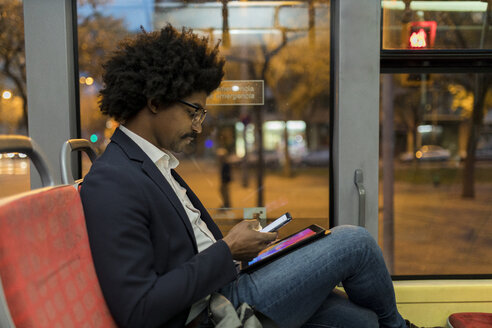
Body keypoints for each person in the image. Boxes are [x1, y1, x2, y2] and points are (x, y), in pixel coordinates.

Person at [81, 25, 411, 328]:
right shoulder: (112, 180)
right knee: (355, 242)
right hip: (210, 313)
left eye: (202, 114)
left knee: (362, 321)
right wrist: (228, 250)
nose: (198, 126)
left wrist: (241, 253)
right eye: (193, 111)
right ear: (154, 102)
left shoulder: (152, 164)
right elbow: (139, 309)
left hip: (227, 284)